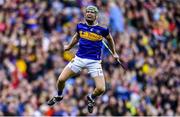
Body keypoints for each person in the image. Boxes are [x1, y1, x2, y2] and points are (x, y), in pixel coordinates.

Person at [47, 5, 119, 113]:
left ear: (96, 15)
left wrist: (114, 52)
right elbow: (76, 37)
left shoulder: (102, 30)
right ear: (85, 14)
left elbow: (110, 39)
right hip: (79, 59)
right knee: (61, 80)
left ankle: (91, 97)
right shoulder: (80, 26)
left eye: (92, 12)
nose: (89, 13)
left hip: (94, 62)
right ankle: (59, 95)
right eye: (87, 12)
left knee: (101, 89)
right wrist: (69, 47)